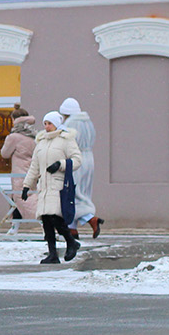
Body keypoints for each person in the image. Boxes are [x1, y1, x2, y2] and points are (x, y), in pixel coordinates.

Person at [21, 111, 83, 264]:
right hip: (44, 186)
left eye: (49, 123)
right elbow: (34, 166)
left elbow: (77, 160)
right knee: (46, 220)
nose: (47, 127)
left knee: (55, 217)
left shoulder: (65, 140)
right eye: (45, 124)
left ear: (57, 124)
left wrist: (60, 165)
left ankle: (71, 242)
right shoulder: (41, 142)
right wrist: (26, 185)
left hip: (58, 185)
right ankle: (52, 254)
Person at [60, 97, 103, 238]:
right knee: (84, 191)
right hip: (89, 158)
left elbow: (66, 142)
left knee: (73, 192)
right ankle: (72, 228)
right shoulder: (87, 122)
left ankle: (90, 219)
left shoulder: (70, 123)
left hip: (76, 159)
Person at [0, 108, 39, 232]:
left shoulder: (14, 137)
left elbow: (4, 153)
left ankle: (44, 221)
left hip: (19, 173)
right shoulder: (34, 135)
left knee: (23, 200)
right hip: (32, 172)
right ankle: (14, 228)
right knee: (21, 198)